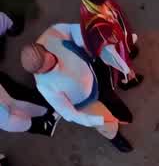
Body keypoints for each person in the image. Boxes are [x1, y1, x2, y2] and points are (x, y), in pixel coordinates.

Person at [21, 22, 131, 152]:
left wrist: (85, 42)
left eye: (50, 62)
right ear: (37, 73)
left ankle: (116, 102)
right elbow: (70, 114)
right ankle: (114, 136)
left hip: (95, 75)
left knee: (112, 99)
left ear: (45, 49)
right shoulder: (44, 87)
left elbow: (74, 29)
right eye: (44, 71)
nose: (50, 69)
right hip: (84, 103)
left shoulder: (52, 35)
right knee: (107, 125)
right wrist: (101, 119)